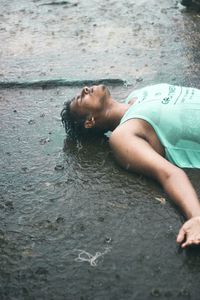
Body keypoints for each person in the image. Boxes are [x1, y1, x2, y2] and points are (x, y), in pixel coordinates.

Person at [61, 83, 200, 248]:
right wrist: (196, 217)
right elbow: (168, 173)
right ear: (89, 122)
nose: (84, 89)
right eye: (80, 98)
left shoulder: (139, 93)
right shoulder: (123, 135)